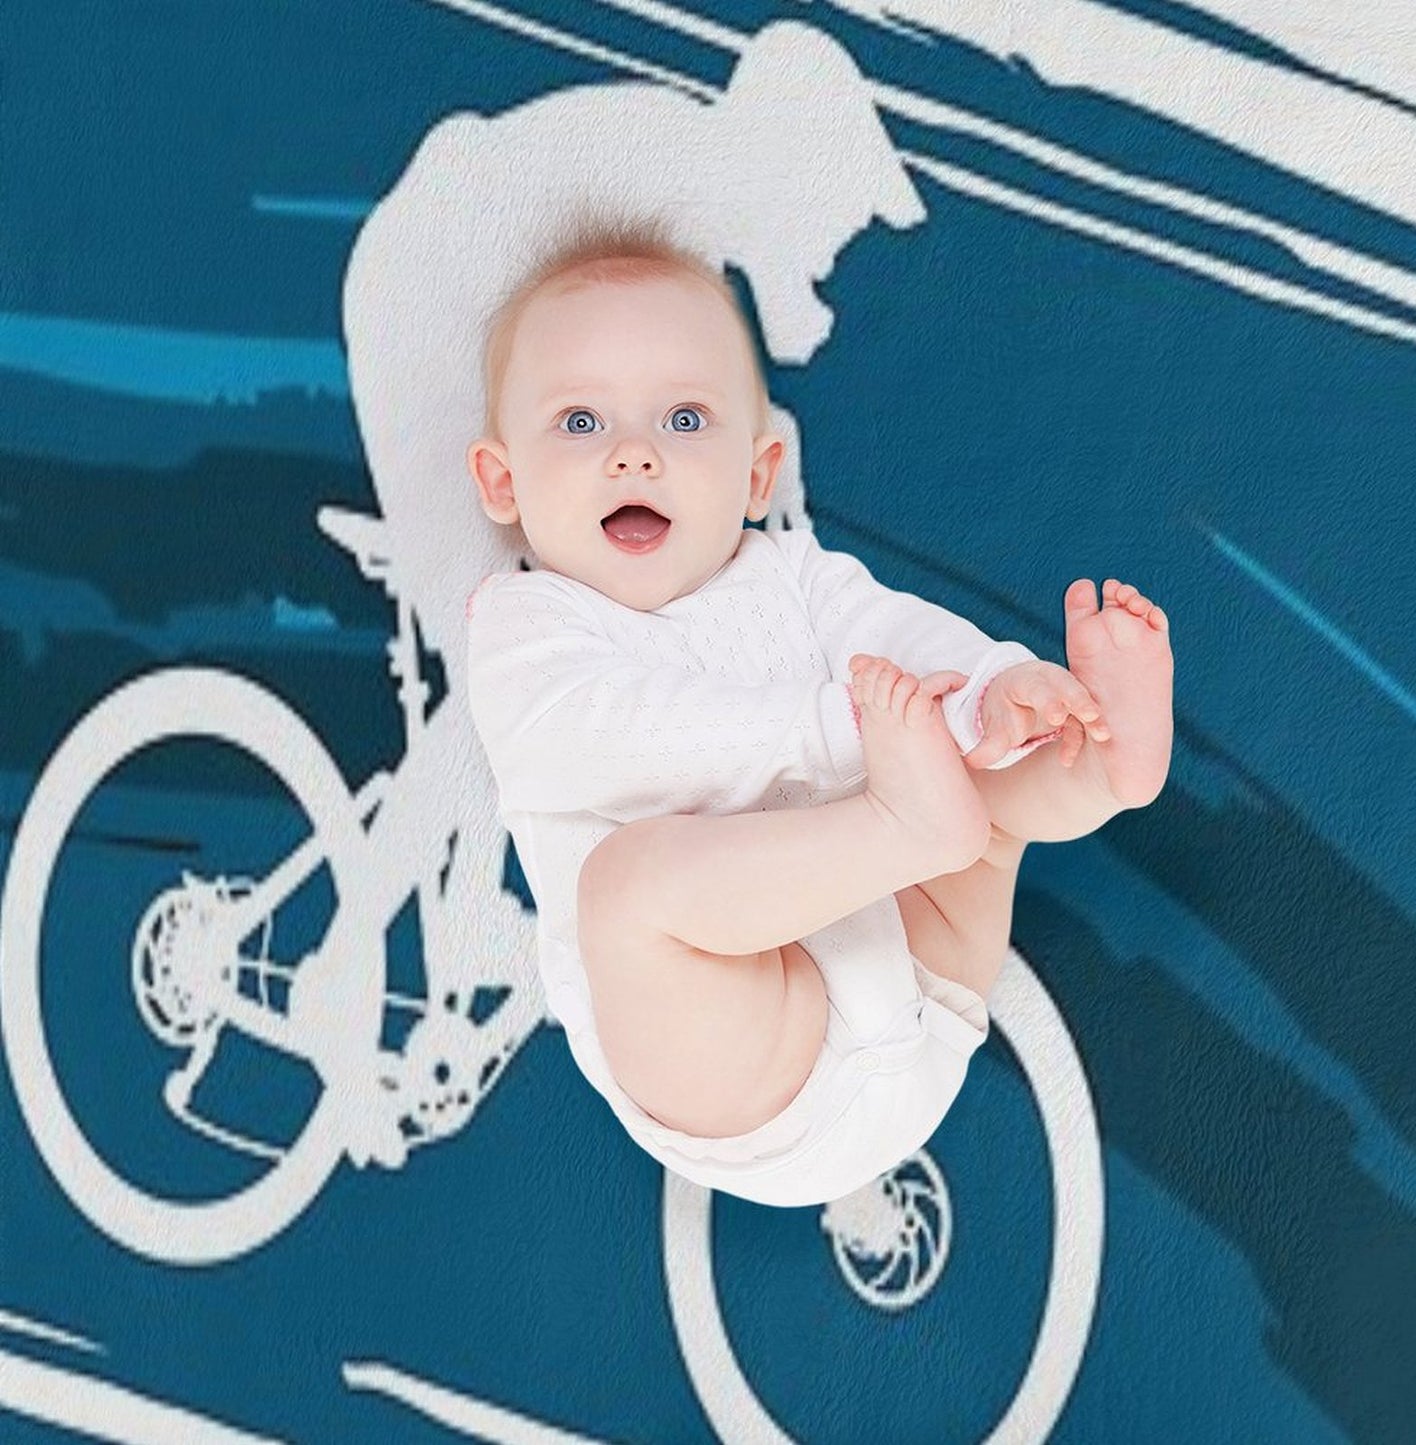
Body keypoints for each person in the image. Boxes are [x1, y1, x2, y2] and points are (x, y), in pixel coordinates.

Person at [464, 210, 1174, 1206]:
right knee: (625, 890)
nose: (633, 455)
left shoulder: (789, 574)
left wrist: (990, 690)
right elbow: (620, 735)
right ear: (501, 480)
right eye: (581, 422)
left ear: (757, 473)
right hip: (751, 1062)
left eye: (683, 420)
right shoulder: (523, 627)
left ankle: (1100, 763)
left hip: (925, 978)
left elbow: (903, 639)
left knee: (985, 775)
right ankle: (912, 818)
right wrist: (840, 733)